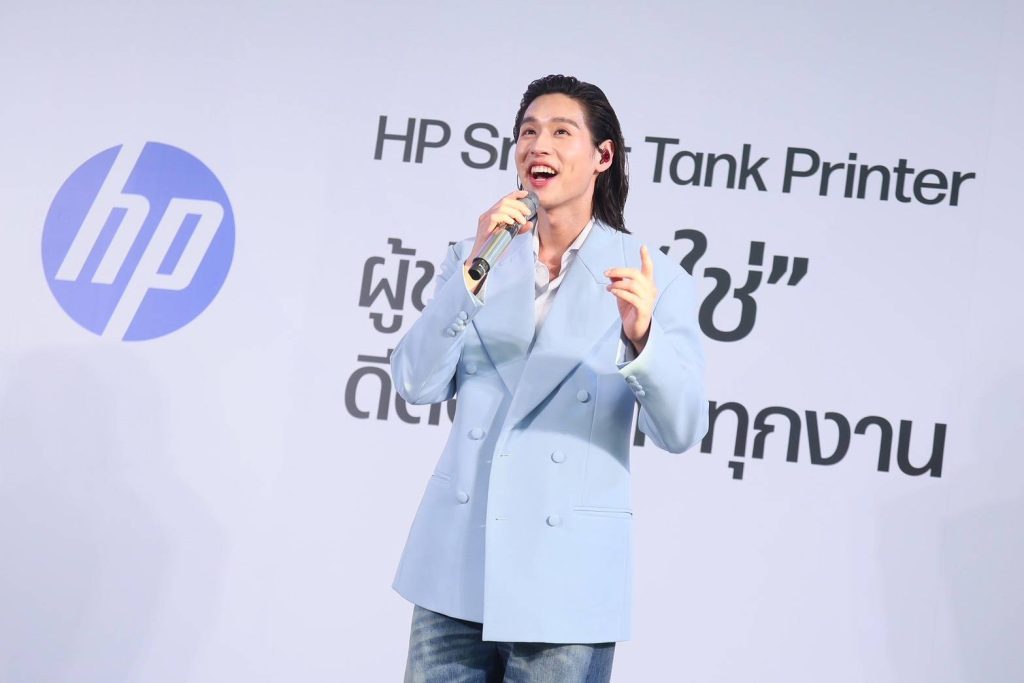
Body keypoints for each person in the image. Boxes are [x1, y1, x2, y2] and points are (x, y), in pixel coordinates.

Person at [391, 74, 709, 683]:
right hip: (454, 569)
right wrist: (475, 267)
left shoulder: (650, 276)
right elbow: (415, 383)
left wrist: (643, 337)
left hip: (565, 586)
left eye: (562, 132)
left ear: (603, 156)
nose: (539, 145)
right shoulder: (475, 257)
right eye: (528, 132)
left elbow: (682, 429)